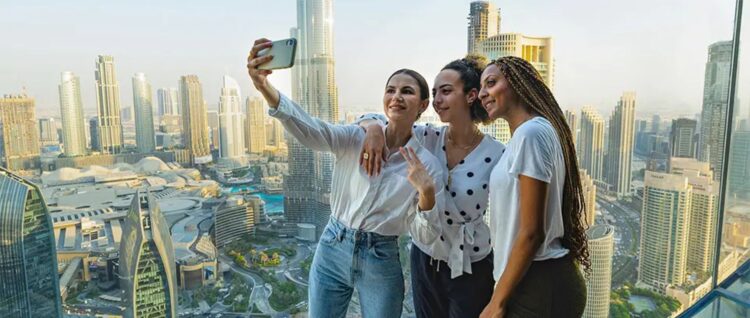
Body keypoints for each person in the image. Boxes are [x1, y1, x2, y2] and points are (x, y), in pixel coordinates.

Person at [246, 38, 447, 318]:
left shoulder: (429, 166)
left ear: (423, 104)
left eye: (407, 91)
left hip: (381, 257)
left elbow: (426, 235)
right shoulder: (355, 137)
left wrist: (426, 194)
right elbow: (311, 130)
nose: (397, 96)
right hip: (332, 246)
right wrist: (264, 87)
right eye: (391, 90)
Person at [357, 55, 503, 318]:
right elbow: (379, 116)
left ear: (471, 96)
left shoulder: (497, 154)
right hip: (425, 259)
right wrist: (374, 130)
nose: (437, 100)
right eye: (434, 93)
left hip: (472, 263)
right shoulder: (426, 136)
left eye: (446, 92)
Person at [478, 56, 588, 318]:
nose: (483, 93)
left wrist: (497, 302)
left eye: (491, 83)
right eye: (482, 87)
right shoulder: (526, 135)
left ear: (517, 84)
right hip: (530, 279)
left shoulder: (531, 134)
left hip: (538, 283)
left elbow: (531, 232)